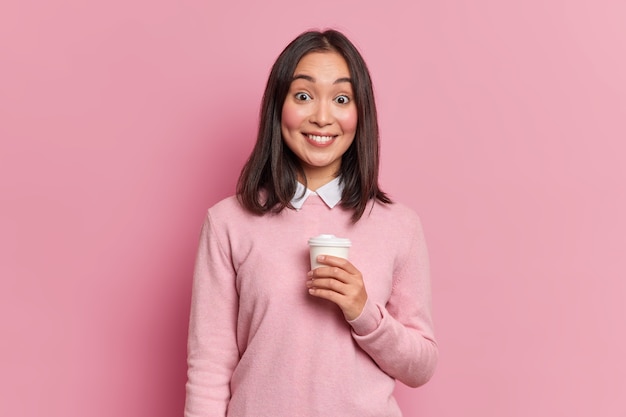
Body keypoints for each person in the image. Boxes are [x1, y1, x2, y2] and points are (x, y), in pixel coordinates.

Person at [185, 29, 438, 417]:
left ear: (360, 113)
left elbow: (420, 368)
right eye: (303, 96)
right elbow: (209, 368)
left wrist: (364, 311)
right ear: (278, 106)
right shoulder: (227, 223)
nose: (322, 117)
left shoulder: (399, 226)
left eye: (341, 99)